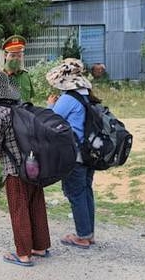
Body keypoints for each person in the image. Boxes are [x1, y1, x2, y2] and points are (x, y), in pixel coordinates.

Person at [0, 70, 51, 267]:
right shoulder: (21, 107)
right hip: (34, 165)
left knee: (19, 209)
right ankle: (40, 246)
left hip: (14, 169)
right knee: (35, 204)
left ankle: (24, 254)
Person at [46, 58, 99, 249]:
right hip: (89, 154)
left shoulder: (69, 98)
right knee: (86, 192)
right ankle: (89, 233)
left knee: (76, 193)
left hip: (74, 155)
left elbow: (51, 121)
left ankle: (82, 236)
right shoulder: (87, 95)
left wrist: (50, 104)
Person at [0, 35, 35, 207]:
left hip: (25, 123)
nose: (16, 59)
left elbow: (30, 98)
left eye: (19, 55)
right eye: (12, 55)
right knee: (9, 159)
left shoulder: (25, 76)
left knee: (21, 158)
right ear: (5, 56)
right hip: (8, 124)